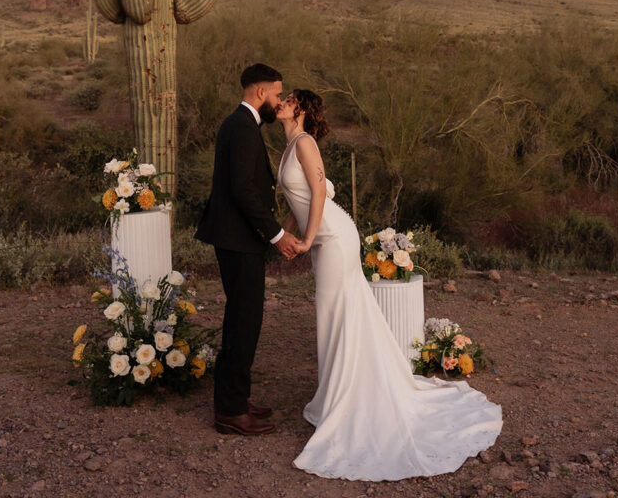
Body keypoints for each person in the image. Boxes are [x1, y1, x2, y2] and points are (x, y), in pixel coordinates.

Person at [276, 88, 503, 480]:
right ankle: (335, 395)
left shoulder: (305, 142)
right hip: (320, 237)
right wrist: (288, 232)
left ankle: (348, 401)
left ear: (300, 109)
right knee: (333, 314)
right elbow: (298, 197)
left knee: (337, 312)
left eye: (289, 98)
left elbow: (317, 193)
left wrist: (309, 238)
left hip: (333, 237)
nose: (281, 101)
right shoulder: (289, 144)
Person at [195, 63, 301, 436]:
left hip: (239, 239)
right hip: (238, 240)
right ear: (261, 93)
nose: (278, 101)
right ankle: (229, 411)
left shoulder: (241, 125)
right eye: (276, 94)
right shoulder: (240, 127)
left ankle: (236, 400)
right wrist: (277, 235)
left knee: (244, 321)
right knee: (243, 322)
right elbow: (242, 190)